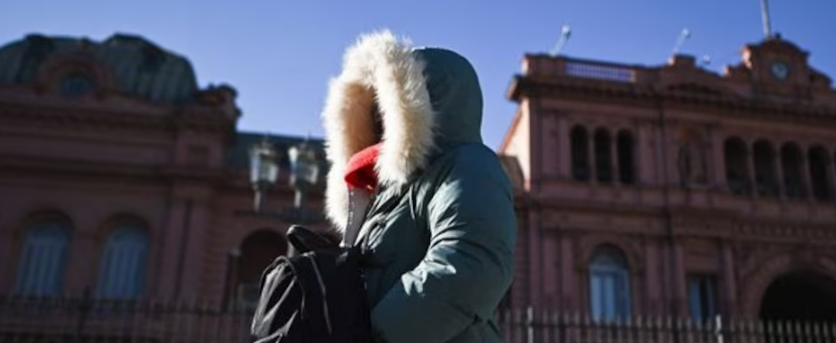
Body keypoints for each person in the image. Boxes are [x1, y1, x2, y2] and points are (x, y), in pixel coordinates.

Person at [320, 30, 516, 343]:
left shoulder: (468, 164)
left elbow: (469, 263)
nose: (379, 118)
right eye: (375, 108)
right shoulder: (386, 193)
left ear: (417, 105)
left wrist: (374, 337)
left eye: (387, 104)